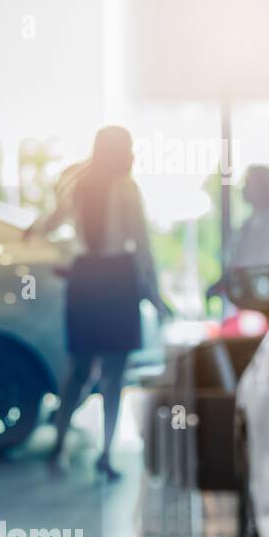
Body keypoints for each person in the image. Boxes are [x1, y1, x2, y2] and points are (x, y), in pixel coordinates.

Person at [28, 126, 169, 481]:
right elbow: (142, 245)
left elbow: (51, 221)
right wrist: (154, 294)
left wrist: (33, 235)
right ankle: (102, 453)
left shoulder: (78, 183)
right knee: (112, 374)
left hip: (86, 279)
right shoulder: (124, 188)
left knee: (79, 370)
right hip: (114, 279)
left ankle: (62, 445)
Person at [206, 164, 269, 302]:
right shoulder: (247, 225)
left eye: (249, 183)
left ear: (263, 188)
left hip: (259, 302)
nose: (244, 188)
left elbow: (265, 270)